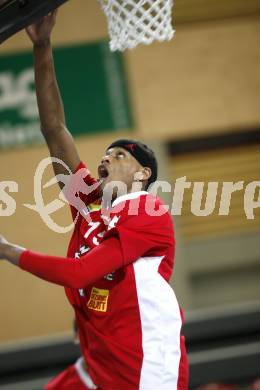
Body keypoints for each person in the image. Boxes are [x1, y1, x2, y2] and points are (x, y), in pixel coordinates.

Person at [0, 11, 189, 390]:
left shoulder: (148, 210)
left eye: (119, 156)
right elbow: (54, 129)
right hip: (102, 363)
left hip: (147, 370)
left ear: (143, 174)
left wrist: (7, 250)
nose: (105, 158)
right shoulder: (90, 204)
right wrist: (42, 45)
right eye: (104, 153)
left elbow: (79, 273)